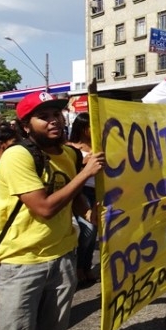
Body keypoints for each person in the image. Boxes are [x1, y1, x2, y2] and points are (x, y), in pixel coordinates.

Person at [0, 91, 105, 330]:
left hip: (63, 257)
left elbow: (73, 195)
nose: (54, 121)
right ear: (25, 126)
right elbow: (44, 207)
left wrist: (89, 213)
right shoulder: (17, 156)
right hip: (22, 263)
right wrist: (86, 173)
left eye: (56, 114)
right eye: (43, 117)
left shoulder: (68, 153)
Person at [67, 112, 98, 287]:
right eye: (91, 126)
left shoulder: (98, 145)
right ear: (83, 128)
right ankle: (78, 268)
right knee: (86, 230)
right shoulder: (71, 148)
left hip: (98, 191)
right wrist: (85, 163)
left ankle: (86, 268)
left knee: (93, 231)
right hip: (81, 192)